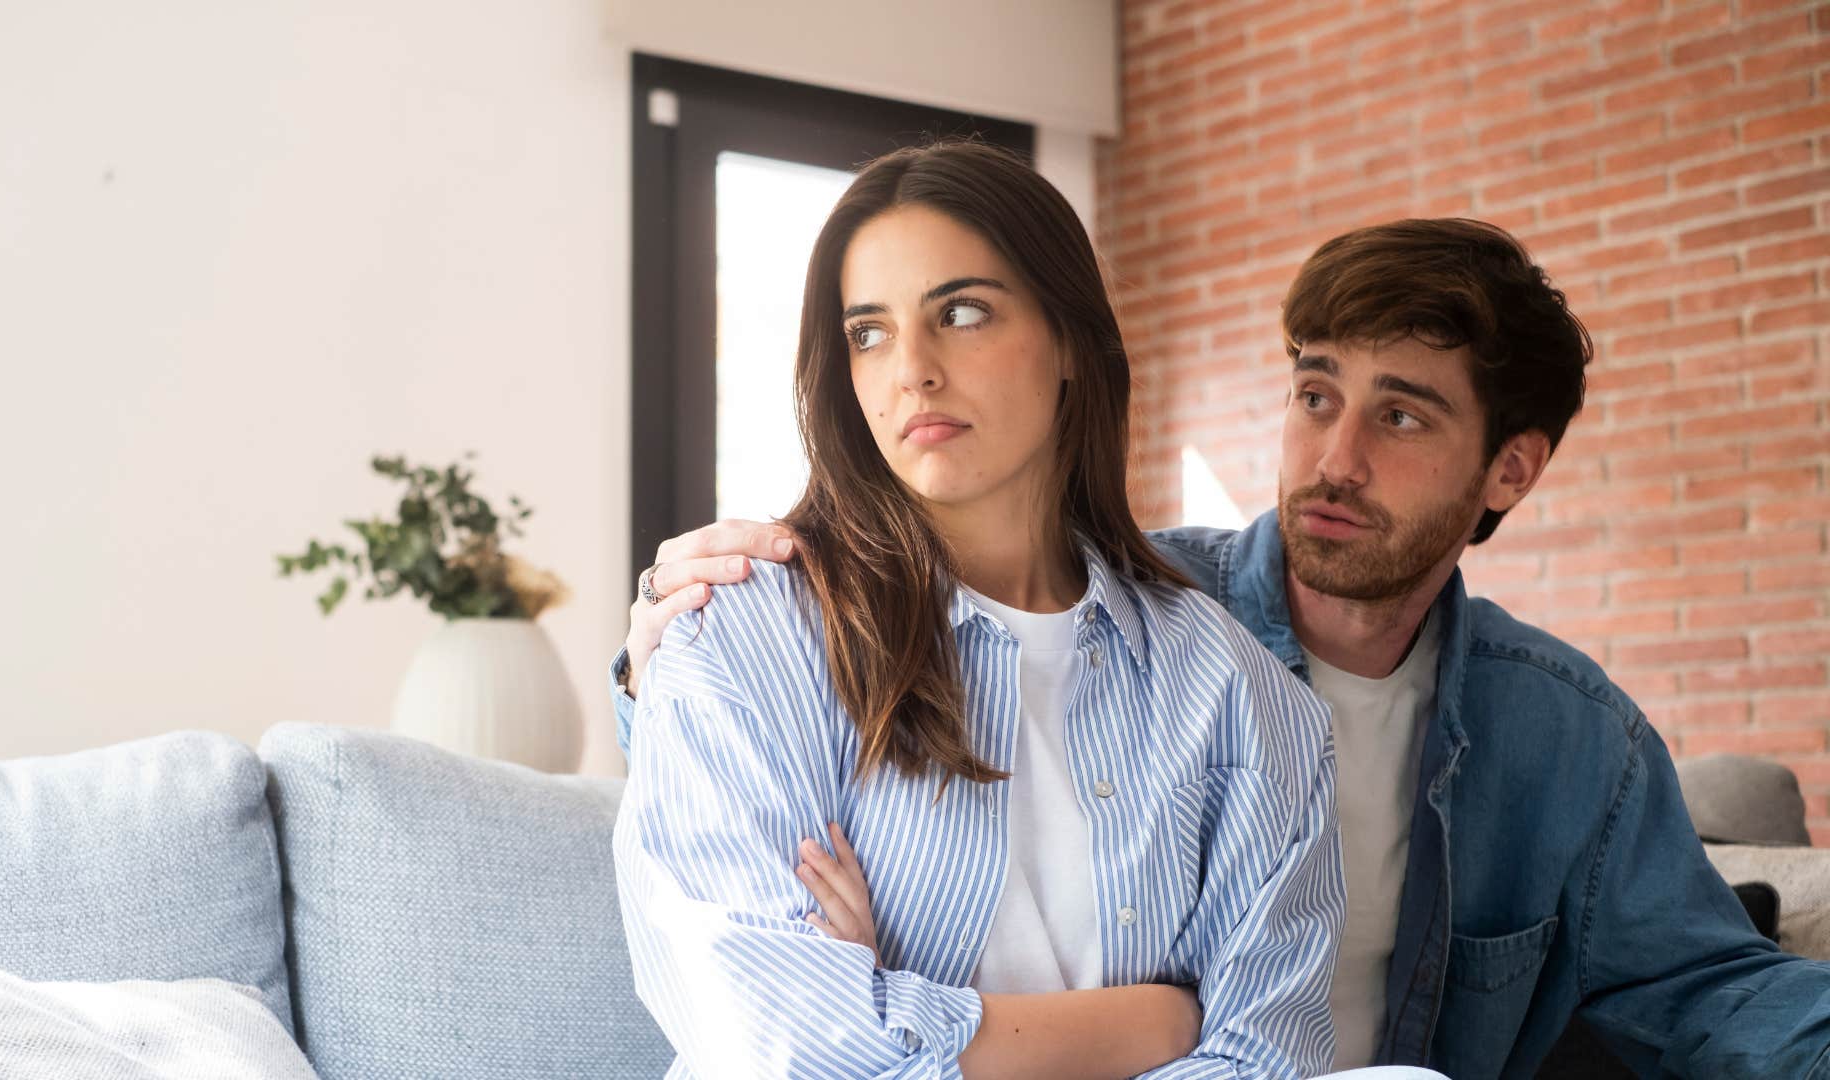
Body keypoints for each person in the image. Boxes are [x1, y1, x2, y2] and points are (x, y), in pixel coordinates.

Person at [617, 217, 1830, 1077]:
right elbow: (752, 830)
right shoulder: (1123, 608)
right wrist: (658, 659)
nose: (1334, 458)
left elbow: (1708, 989)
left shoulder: (1568, 739)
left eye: (1399, 415)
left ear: (1510, 467)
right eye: (1315, 396)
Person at [613, 139, 1350, 1078]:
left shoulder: (1234, 692)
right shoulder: (746, 628)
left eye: (961, 313)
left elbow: (1265, 1056)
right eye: (867, 332)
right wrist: (1154, 1023)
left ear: (1072, 341)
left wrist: (889, 1004)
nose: (910, 369)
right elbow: (774, 1041)